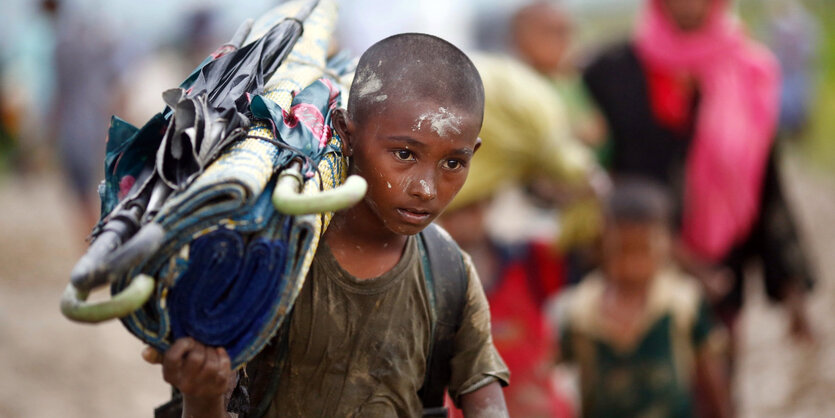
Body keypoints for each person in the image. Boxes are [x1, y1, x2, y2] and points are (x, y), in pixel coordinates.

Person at [143, 33, 510, 417]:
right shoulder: (270, 258)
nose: (426, 189)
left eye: (453, 163)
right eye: (404, 154)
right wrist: (202, 396)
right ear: (347, 134)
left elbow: (488, 405)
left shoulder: (448, 272)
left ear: (475, 153)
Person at [582, 0, 814, 340]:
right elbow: (590, 174)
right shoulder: (610, 71)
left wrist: (792, 285)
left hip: (722, 275)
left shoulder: (751, 73)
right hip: (632, 274)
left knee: (718, 377)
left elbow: (766, 181)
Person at [558, 179, 732, 418]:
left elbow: (711, 379)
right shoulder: (581, 313)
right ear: (601, 247)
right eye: (621, 250)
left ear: (665, 247)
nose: (632, 266)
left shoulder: (682, 303)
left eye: (643, 251)